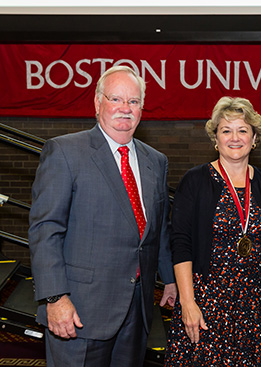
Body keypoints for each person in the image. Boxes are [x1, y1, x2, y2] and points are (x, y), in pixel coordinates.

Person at [28, 65, 177, 367]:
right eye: (116, 99)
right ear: (97, 103)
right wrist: (55, 298)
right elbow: (46, 230)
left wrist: (170, 279)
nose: (125, 108)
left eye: (133, 101)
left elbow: (157, 230)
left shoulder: (155, 161)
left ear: (142, 108)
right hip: (80, 311)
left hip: (136, 312)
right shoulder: (65, 152)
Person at [165, 96, 261, 366]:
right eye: (226, 130)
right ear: (215, 137)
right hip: (208, 302)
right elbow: (181, 244)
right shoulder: (195, 181)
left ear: (254, 137)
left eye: (242, 130)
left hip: (259, 304)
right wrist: (187, 303)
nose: (234, 138)